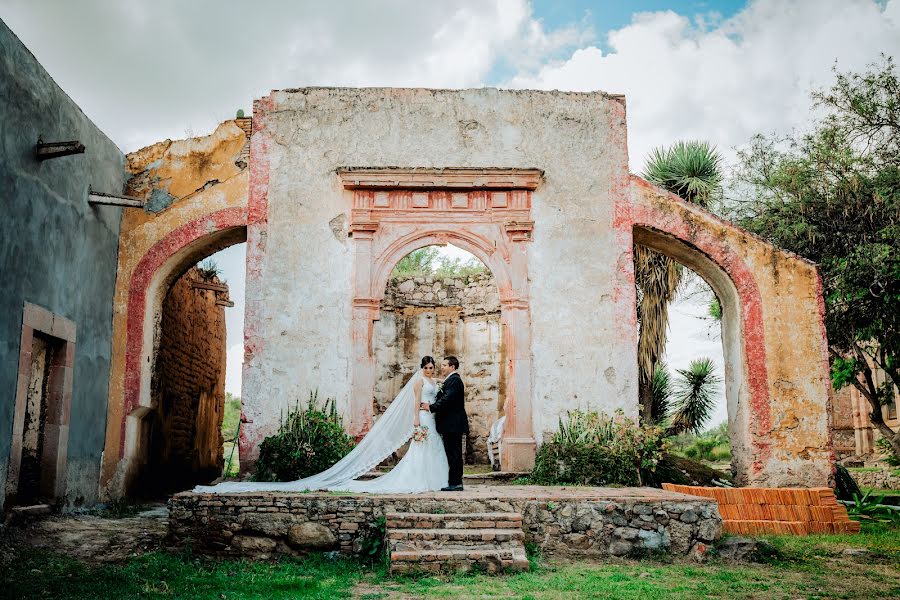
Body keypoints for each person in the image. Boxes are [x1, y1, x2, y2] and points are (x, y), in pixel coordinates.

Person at [194, 356, 448, 494]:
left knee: (433, 446)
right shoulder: (418, 383)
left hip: (433, 418)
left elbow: (436, 398)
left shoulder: (436, 382)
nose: (429, 370)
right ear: (420, 368)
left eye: (432, 367)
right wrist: (415, 419)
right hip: (423, 418)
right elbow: (416, 403)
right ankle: (418, 479)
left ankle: (434, 479)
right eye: (426, 367)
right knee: (420, 449)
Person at [424, 356, 469, 491]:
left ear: (452, 367)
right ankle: (454, 481)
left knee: (454, 453)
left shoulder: (454, 380)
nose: (441, 367)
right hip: (451, 424)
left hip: (453, 424)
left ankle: (456, 483)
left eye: (444, 365)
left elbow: (447, 399)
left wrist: (431, 407)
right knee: (452, 453)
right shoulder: (451, 380)